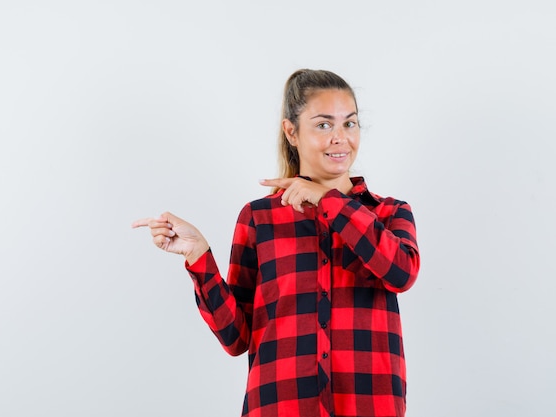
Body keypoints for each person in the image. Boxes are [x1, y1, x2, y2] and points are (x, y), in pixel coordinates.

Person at [133, 69, 420, 417]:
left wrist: (328, 200)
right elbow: (236, 338)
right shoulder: (259, 219)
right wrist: (198, 256)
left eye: (350, 123)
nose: (340, 138)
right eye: (324, 125)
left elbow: (401, 273)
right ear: (291, 132)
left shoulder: (389, 213)